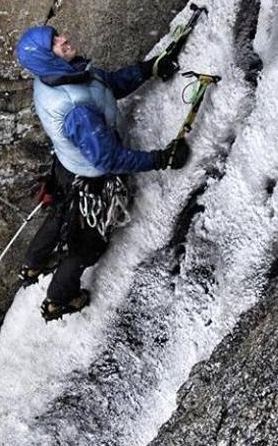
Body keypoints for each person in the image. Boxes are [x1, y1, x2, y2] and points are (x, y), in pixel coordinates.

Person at [16, 25, 190, 321]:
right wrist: (160, 159)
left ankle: (33, 263)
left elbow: (105, 86)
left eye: (57, 34)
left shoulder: (59, 76)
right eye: (55, 43)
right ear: (47, 58)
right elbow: (107, 159)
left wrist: (148, 69)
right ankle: (60, 298)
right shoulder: (75, 108)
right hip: (90, 182)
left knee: (61, 214)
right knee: (86, 245)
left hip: (68, 170)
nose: (64, 39)